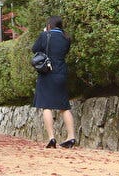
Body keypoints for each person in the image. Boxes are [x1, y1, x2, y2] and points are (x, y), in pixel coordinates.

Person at [32, 15, 76, 148]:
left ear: (49, 25)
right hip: (61, 73)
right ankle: (71, 137)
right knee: (64, 106)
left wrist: (45, 33)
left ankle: (51, 138)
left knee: (46, 106)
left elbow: (35, 49)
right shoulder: (66, 38)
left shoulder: (45, 35)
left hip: (47, 73)